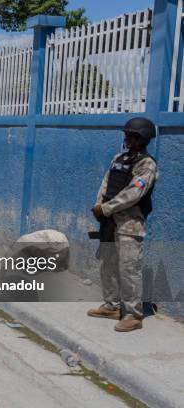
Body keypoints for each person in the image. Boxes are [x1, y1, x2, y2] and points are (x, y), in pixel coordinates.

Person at [87, 117, 158, 332]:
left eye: (132, 136)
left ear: (142, 139)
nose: (127, 138)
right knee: (108, 265)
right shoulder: (119, 158)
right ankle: (111, 306)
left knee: (128, 269)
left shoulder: (147, 164)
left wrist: (106, 208)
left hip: (129, 224)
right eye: (126, 135)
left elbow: (133, 193)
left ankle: (133, 315)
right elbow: (106, 182)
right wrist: (99, 205)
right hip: (109, 222)